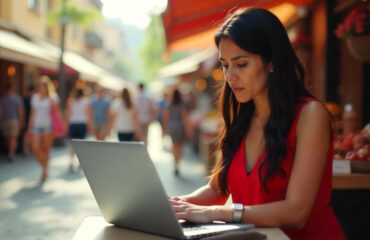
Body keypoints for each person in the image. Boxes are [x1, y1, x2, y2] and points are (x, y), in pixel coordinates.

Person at [169, 8, 345, 239]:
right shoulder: (241, 117)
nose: (230, 75)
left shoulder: (310, 115)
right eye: (225, 65)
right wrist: (174, 205)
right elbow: (217, 188)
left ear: (271, 62)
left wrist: (217, 213)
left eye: (241, 64)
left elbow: (296, 212)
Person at [27, 77, 60, 181]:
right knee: (36, 149)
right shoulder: (35, 98)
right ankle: (44, 166)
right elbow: (32, 114)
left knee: (46, 150)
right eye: (40, 85)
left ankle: (45, 170)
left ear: (47, 87)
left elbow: (57, 115)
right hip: (36, 127)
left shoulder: (53, 98)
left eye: (44, 86)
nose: (42, 88)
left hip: (48, 127)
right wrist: (29, 128)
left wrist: (60, 127)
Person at [162, 89, 191, 175]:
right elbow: (185, 119)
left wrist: (164, 130)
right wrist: (188, 129)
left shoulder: (169, 106)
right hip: (180, 128)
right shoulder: (182, 106)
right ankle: (178, 164)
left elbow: (165, 118)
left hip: (172, 127)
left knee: (174, 146)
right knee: (180, 146)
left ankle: (175, 164)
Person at [66, 88, 92, 172]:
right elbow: (87, 115)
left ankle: (71, 161)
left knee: (73, 144)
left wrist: (67, 124)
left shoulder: (71, 102)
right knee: (81, 144)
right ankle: (80, 163)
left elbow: (68, 114)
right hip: (82, 123)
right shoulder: (86, 102)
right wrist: (89, 125)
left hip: (73, 123)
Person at [0, 83, 24, 162]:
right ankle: (10, 152)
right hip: (6, 120)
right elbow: (1, 111)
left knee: (12, 137)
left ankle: (11, 154)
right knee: (8, 138)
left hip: (13, 120)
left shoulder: (17, 98)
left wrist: (21, 120)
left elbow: (20, 110)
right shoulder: (3, 99)